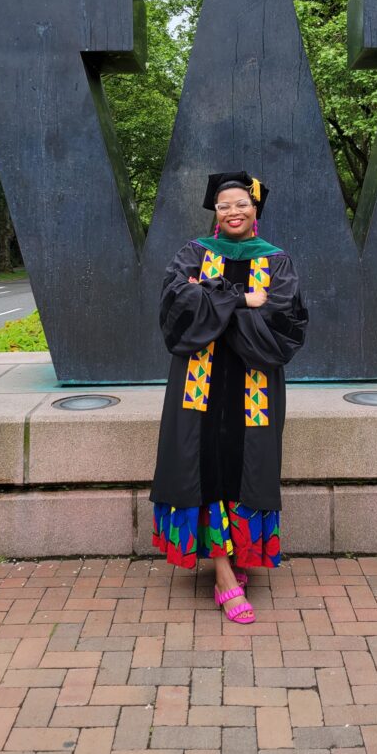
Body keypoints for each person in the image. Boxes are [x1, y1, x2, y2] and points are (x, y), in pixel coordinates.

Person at [149, 170, 308, 624]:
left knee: (246, 465)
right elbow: (177, 308)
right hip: (199, 385)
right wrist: (243, 301)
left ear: (255, 209)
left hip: (253, 384)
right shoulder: (192, 254)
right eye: (224, 205)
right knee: (204, 464)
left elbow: (283, 327)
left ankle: (237, 555)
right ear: (214, 213)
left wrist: (214, 300)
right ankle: (222, 575)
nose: (233, 211)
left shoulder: (277, 261)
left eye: (241, 203)